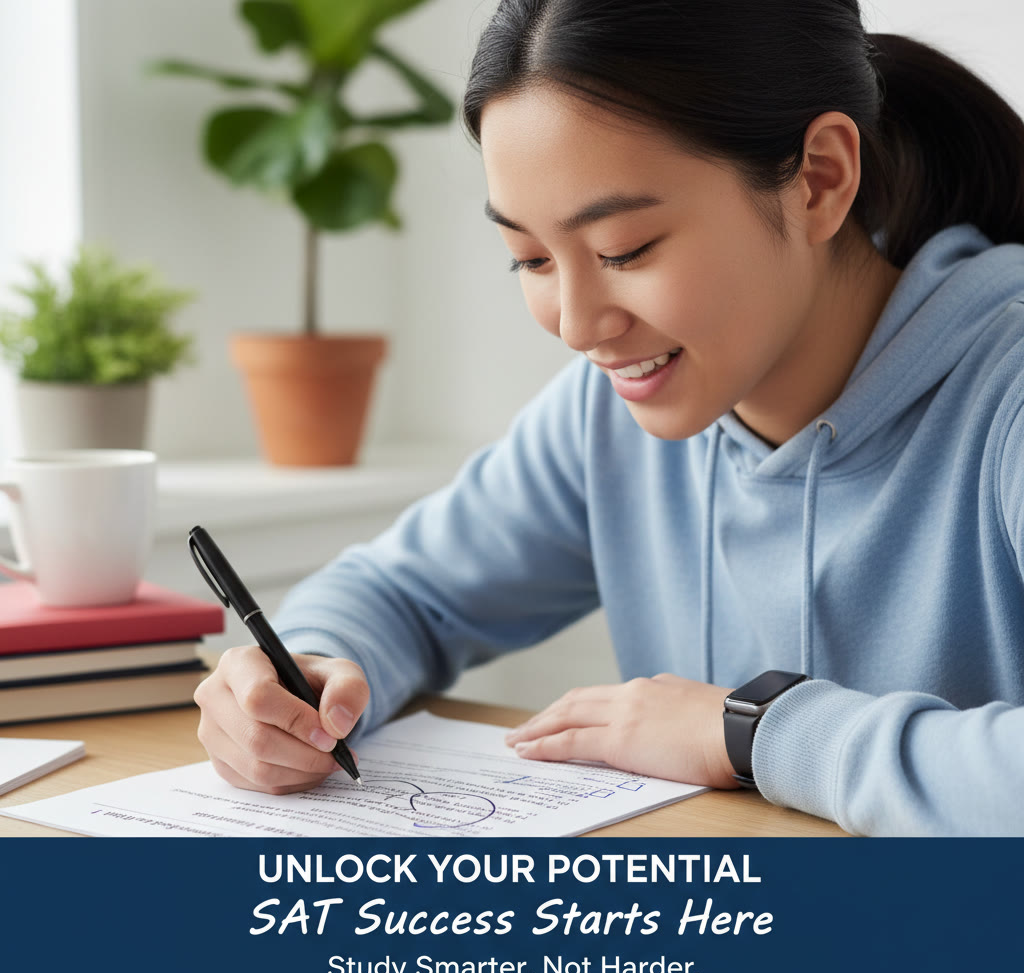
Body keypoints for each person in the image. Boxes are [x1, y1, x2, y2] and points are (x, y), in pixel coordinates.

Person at [194, 0, 1024, 836]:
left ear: (819, 179)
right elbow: (405, 594)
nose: (577, 325)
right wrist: (307, 673)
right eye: (529, 258)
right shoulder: (612, 412)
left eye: (625, 249)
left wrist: (755, 732)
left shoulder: (1007, 397)